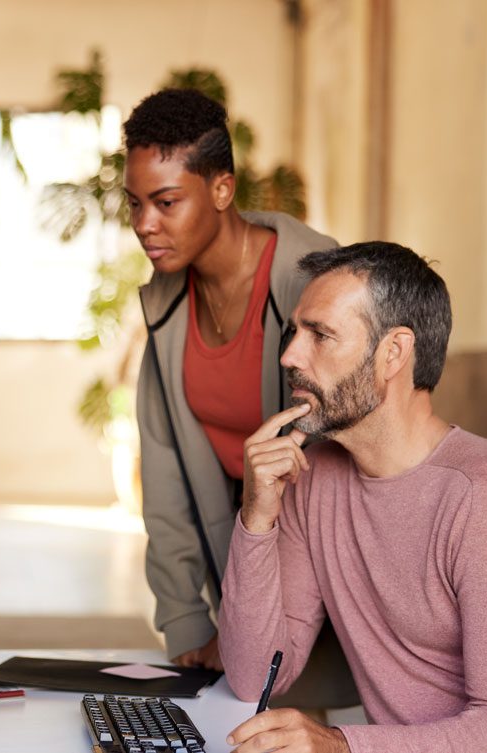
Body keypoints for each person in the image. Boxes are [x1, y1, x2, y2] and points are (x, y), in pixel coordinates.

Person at [218, 242, 487, 752]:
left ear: (393, 353)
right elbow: (253, 677)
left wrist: (340, 747)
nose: (290, 355)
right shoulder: (314, 481)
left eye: (321, 335)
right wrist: (256, 519)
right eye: (295, 332)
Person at [124, 88, 358, 707]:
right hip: (238, 569)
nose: (145, 224)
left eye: (166, 202)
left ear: (222, 190)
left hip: (327, 579)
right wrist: (186, 619)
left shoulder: (313, 280)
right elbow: (164, 469)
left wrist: (262, 624)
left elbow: (344, 463)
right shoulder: (166, 307)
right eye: (136, 203)